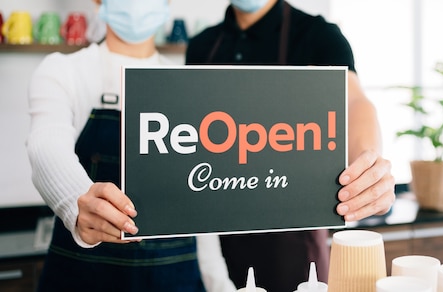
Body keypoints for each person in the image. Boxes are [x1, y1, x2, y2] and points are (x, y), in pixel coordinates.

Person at [185, 0, 396, 291]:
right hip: (215, 241)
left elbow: (353, 101)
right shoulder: (201, 46)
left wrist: (367, 162)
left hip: (291, 245)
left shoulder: (318, 35)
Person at [27, 0, 235, 291]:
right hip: (81, 276)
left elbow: (201, 210)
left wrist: (221, 285)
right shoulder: (63, 71)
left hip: (178, 278)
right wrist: (77, 201)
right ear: (99, 2)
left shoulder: (189, 85)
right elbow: (46, 147)